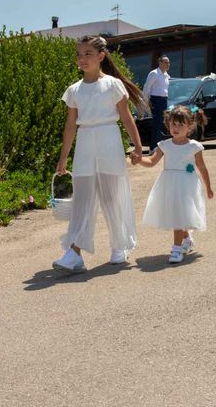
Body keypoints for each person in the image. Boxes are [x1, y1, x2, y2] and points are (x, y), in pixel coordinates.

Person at [52, 35, 146, 273]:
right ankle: (74, 254)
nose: (82, 59)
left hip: (109, 140)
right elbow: (71, 126)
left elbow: (126, 117)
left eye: (88, 54)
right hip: (84, 143)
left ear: (101, 56)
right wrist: (63, 157)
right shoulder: (73, 90)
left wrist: (137, 146)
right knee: (82, 199)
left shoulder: (113, 85)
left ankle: (119, 246)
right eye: (79, 54)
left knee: (111, 197)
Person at [134, 106, 213, 264]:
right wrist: (139, 159)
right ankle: (187, 238)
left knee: (179, 215)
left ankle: (177, 249)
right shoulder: (165, 145)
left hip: (186, 186)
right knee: (178, 214)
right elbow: (151, 162)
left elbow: (202, 167)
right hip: (169, 185)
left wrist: (208, 187)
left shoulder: (194, 147)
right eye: (173, 124)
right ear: (168, 124)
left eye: (180, 125)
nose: (176, 128)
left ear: (189, 126)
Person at [143, 56, 170, 154]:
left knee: (161, 124)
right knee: (156, 124)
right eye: (166, 62)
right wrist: (147, 101)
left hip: (164, 100)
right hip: (156, 100)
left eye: (168, 63)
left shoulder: (167, 75)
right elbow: (147, 87)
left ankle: (157, 146)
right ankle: (153, 147)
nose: (168, 64)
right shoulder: (154, 73)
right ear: (160, 63)